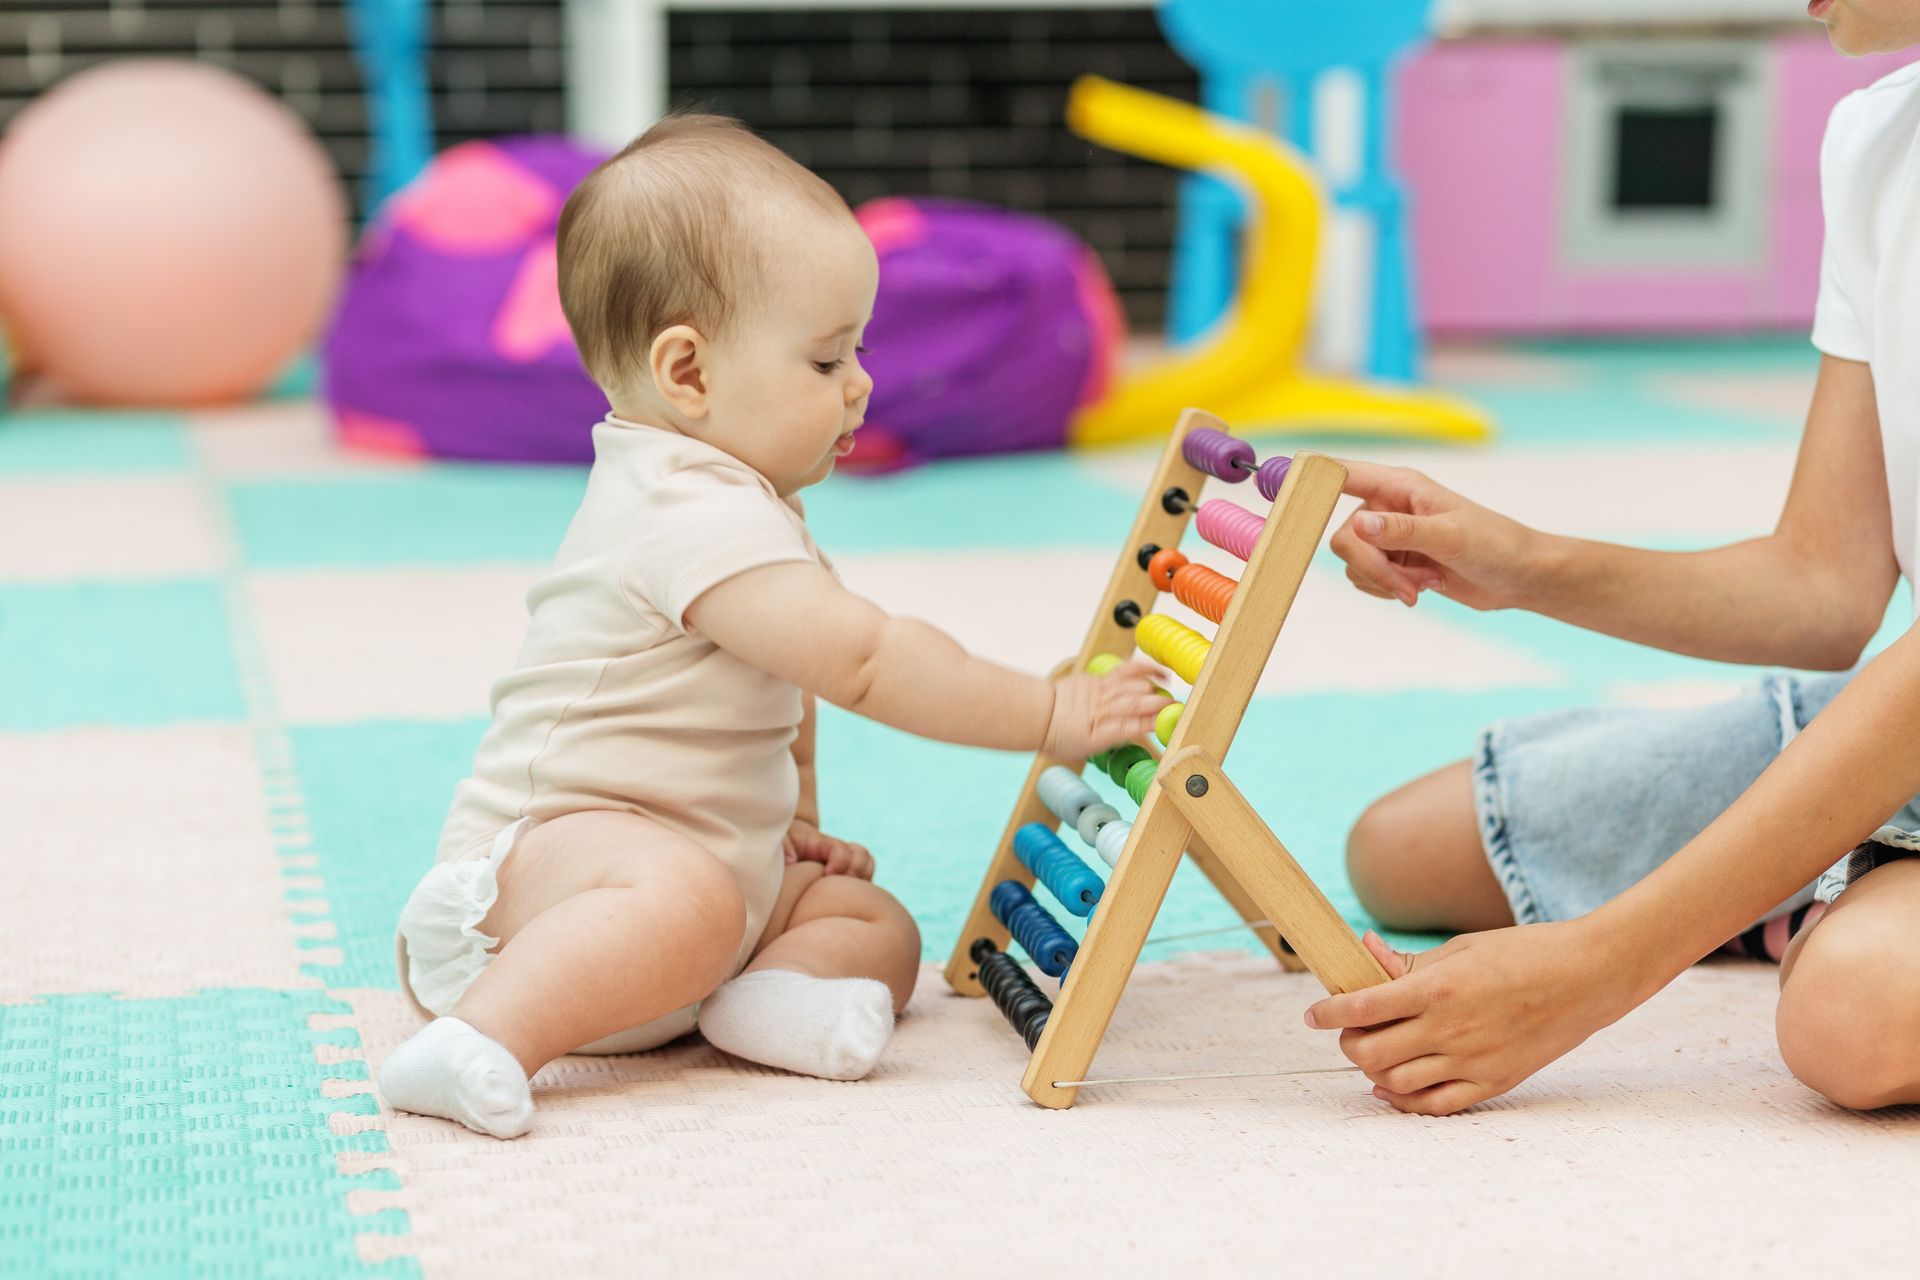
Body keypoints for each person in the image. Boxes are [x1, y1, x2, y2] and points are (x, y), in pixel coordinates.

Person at [376, 113, 1167, 1138]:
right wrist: (1047, 708)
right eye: (827, 358)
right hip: (533, 894)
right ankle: (479, 1039)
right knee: (690, 895)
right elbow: (864, 659)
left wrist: (792, 820)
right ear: (690, 374)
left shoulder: (747, 509)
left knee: (871, 922)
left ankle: (766, 997)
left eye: (860, 351)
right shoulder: (680, 511)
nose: (863, 383)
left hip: (700, 895)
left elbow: (779, 697)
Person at [1304, 1, 1920, 1117]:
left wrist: (1600, 966)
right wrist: (1524, 563)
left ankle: (1835, 888)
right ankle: (1826, 873)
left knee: (1855, 1012)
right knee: (1401, 851)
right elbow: (1824, 586)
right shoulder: (1880, 139)